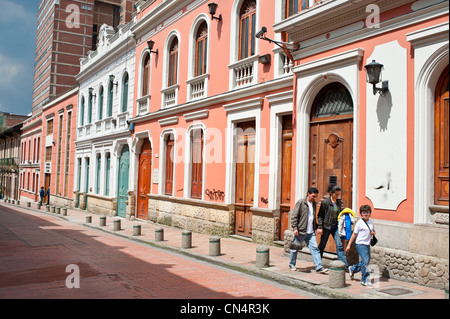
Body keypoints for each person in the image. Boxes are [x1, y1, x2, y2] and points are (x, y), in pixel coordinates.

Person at [289, 187, 328, 274]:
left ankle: (319, 267)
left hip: (310, 232)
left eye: (316, 197)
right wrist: (295, 228)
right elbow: (294, 216)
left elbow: (312, 217)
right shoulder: (301, 202)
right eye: (313, 196)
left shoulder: (314, 203)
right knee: (295, 248)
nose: (314, 198)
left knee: (315, 249)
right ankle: (291, 264)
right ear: (308, 194)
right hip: (301, 231)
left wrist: (317, 227)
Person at [317, 185, 348, 268]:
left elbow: (341, 213)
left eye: (339, 194)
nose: (337, 196)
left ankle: (344, 265)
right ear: (331, 193)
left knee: (339, 245)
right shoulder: (325, 202)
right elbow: (320, 215)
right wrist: (320, 227)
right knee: (322, 245)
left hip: (335, 227)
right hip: (326, 226)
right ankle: (318, 262)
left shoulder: (339, 202)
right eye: (336, 194)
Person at [345, 205, 376, 286]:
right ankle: (364, 279)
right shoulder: (359, 223)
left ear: (370, 213)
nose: (366, 214)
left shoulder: (371, 222)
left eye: (367, 212)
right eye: (364, 212)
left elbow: (373, 231)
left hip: (367, 244)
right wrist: (349, 245)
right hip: (360, 244)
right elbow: (354, 234)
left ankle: (352, 268)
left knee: (366, 261)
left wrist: (373, 233)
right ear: (361, 214)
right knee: (365, 261)